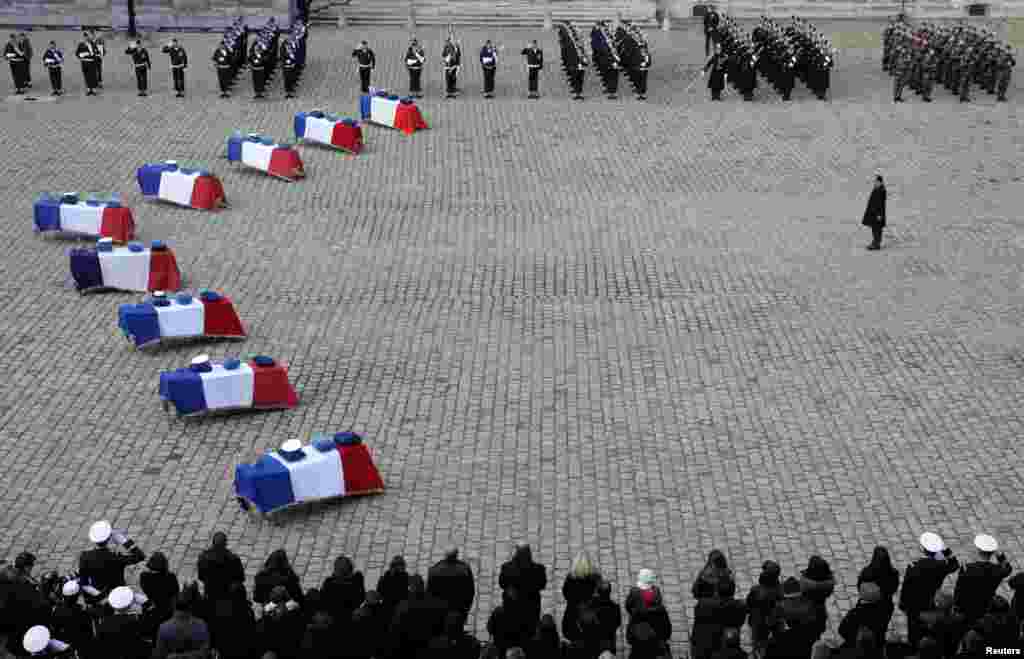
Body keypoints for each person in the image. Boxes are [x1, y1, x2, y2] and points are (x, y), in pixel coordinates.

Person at [898, 531, 959, 649]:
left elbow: (907, 587)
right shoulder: (941, 566)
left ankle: (913, 645)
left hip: (914, 604)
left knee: (913, 627)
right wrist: (946, 551)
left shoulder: (914, 567)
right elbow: (955, 564)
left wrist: (903, 603)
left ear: (923, 549)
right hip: (930, 599)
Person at [953, 534, 1012, 626]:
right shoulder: (997, 570)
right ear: (992, 553)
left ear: (978, 550)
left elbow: (959, 589)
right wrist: (999, 555)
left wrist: (956, 606)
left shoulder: (967, 569)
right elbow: (1008, 569)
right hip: (985, 604)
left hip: (967, 606)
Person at [77, 520, 146, 595]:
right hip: (118, 592)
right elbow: (140, 556)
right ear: (109, 538)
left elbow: (84, 582)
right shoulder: (115, 557)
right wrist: (123, 540)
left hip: (98, 590)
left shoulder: (84, 556)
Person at [499, 544, 548, 637]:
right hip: (531, 608)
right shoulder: (539, 570)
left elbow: (502, 584)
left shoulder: (507, 568)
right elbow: (542, 585)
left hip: (512, 606)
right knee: (530, 630)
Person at [153, 583, 211, 659]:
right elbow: (205, 653)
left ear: (173, 605)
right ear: (191, 606)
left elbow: (160, 655)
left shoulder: (163, 628)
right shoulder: (202, 625)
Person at [426, 547, 475, 626]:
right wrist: (466, 609)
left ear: (445, 555)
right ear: (456, 555)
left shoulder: (434, 570)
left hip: (440, 611)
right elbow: (470, 591)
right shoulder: (464, 570)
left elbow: (429, 593)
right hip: (458, 610)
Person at [561, 551, 601, 643]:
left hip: (572, 612)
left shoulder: (570, 578)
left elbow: (565, 593)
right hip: (589, 611)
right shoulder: (595, 577)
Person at [320, 555, 365, 635]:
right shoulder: (357, 580)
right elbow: (361, 598)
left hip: (334, 618)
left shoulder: (329, 583)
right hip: (350, 616)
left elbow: (323, 601)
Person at [139, 551, 180, 639]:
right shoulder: (170, 577)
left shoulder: (144, 577)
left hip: (152, 607)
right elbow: (176, 592)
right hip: (167, 608)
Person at [747, 560, 783, 658]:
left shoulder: (756, 591)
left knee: (758, 641)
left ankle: (757, 653)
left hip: (759, 621)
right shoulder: (779, 589)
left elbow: (749, 604)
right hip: (774, 620)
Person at [800, 555, 835, 643]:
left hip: (806, 610)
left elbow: (802, 589)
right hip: (820, 611)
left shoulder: (806, 583)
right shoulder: (829, 584)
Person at [861, 175, 887, 251]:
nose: (875, 183)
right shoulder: (876, 189)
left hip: (878, 213)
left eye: (877, 181)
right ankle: (875, 242)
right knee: (874, 228)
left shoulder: (881, 190)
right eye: (875, 182)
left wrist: (880, 214)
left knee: (877, 229)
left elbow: (881, 204)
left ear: (880, 182)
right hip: (873, 212)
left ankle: (876, 244)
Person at [74, 31, 99, 95]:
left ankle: (93, 89)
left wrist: (92, 54)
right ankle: (88, 89)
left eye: (87, 36)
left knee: (93, 76)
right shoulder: (81, 44)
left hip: (92, 62)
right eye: (85, 37)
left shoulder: (93, 44)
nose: (86, 38)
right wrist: (81, 56)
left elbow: (97, 52)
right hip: (84, 62)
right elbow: (77, 53)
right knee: (86, 76)